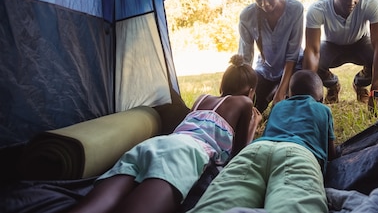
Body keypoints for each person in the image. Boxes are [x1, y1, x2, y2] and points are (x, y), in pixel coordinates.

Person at [67, 55, 261, 213]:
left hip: (155, 144)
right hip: (185, 153)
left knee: (95, 205)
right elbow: (238, 156)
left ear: (223, 84)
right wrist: (253, 126)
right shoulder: (244, 103)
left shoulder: (201, 99)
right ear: (251, 91)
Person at [187, 69, 336, 213]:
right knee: (295, 201)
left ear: (288, 96)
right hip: (299, 153)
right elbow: (331, 152)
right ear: (321, 100)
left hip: (257, 149)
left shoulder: (279, 106)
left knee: (220, 198)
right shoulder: (323, 109)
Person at [304, 0, 378, 115]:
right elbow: (312, 51)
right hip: (332, 46)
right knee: (309, 60)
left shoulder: (371, 4)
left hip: (360, 44)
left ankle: (360, 84)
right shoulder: (318, 9)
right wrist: (307, 99)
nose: (351, 2)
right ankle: (332, 85)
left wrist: (376, 95)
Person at [238, 0, 304, 113]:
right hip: (266, 70)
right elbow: (246, 57)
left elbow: (292, 54)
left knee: (291, 108)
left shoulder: (295, 9)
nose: (265, 4)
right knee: (251, 106)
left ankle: (279, 91)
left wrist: (281, 91)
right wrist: (245, 93)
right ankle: (271, 92)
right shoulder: (247, 17)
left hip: (294, 67)